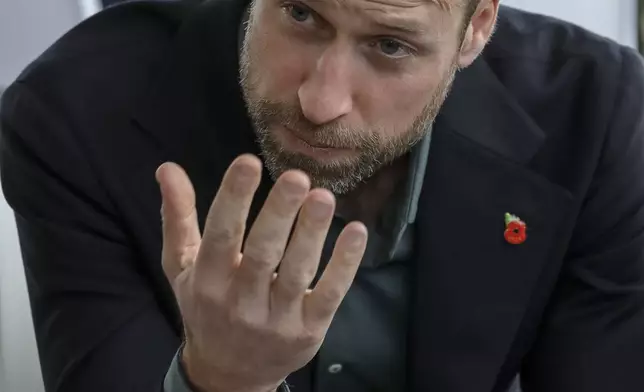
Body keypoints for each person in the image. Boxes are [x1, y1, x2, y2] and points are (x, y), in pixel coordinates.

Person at [1, 0, 643, 391]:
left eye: (390, 46)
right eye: (301, 14)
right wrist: (225, 383)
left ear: (474, 30)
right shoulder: (78, 111)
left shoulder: (598, 115)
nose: (320, 101)